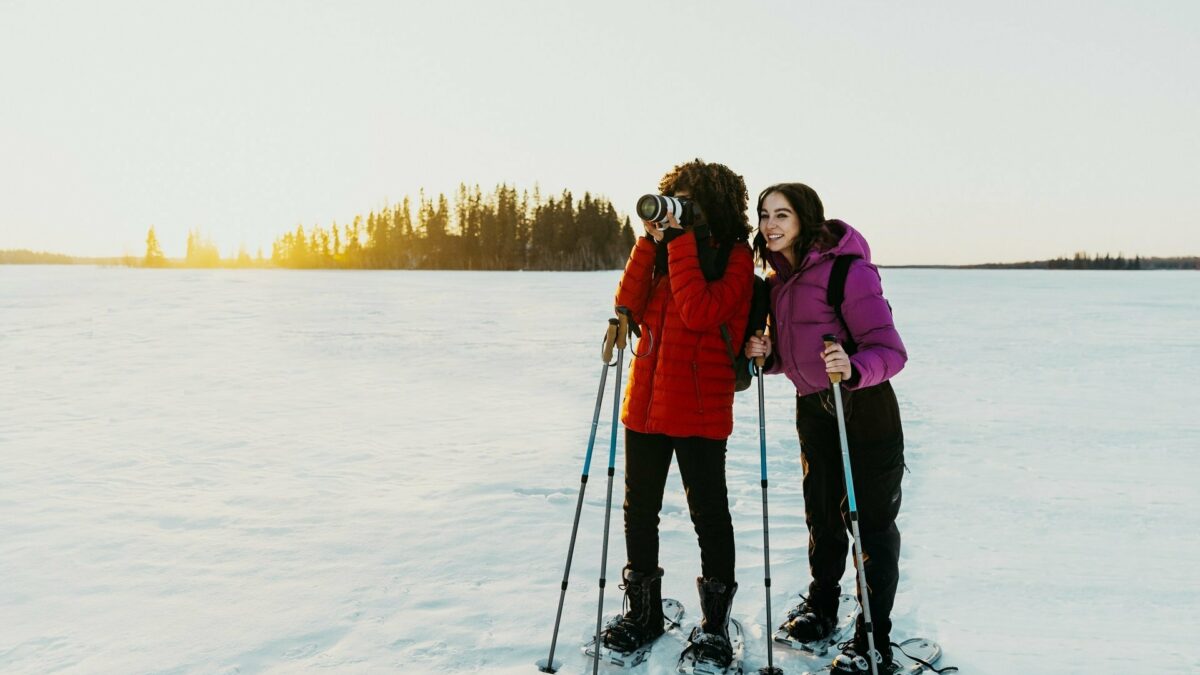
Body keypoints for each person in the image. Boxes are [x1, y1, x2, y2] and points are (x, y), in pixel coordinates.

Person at [744, 183, 908, 674]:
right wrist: (769, 355)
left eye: (782, 215)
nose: (770, 225)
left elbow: (890, 350)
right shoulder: (779, 282)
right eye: (765, 215)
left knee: (870, 525)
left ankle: (873, 639)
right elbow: (797, 354)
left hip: (864, 407)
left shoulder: (848, 272)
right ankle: (822, 606)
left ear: (805, 220)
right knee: (822, 513)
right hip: (814, 407)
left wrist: (853, 366)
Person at [601, 159, 754, 669]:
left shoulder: (735, 258)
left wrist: (681, 240)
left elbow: (699, 311)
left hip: (701, 407)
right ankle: (642, 615)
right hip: (644, 404)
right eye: (675, 198)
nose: (679, 209)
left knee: (709, 516)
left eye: (690, 201)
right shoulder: (665, 252)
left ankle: (714, 627)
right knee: (637, 511)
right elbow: (630, 305)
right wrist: (649, 242)